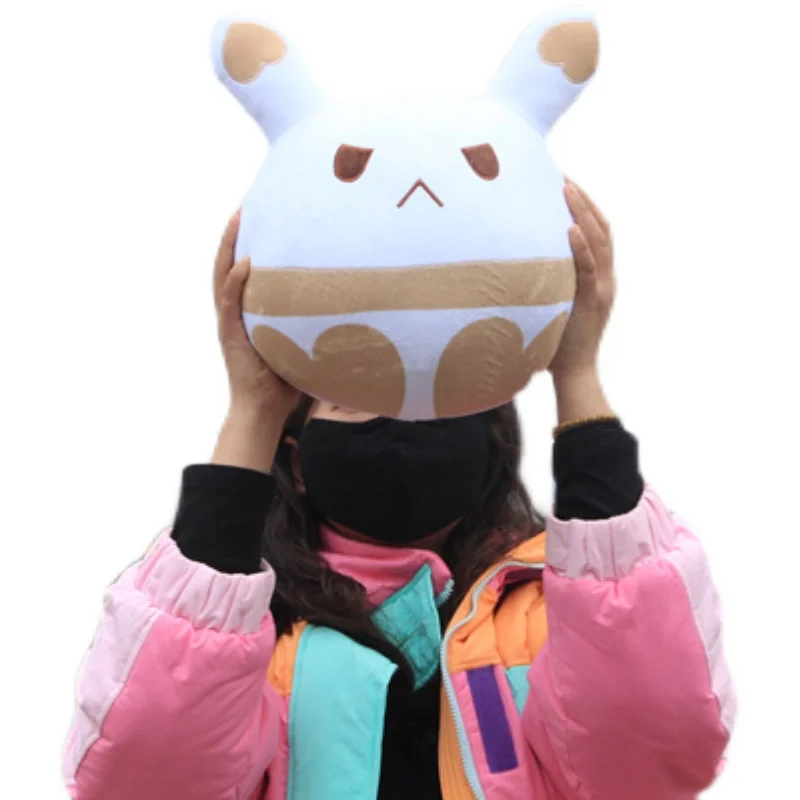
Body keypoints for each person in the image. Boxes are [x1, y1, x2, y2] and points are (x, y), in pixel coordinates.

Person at [61, 182, 735, 800]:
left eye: (431, 404)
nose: (397, 423)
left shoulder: (550, 618)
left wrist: (577, 371)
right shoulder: (256, 642)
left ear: (488, 448)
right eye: (356, 399)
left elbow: (651, 751)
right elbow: (145, 777)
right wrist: (253, 411)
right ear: (299, 461)